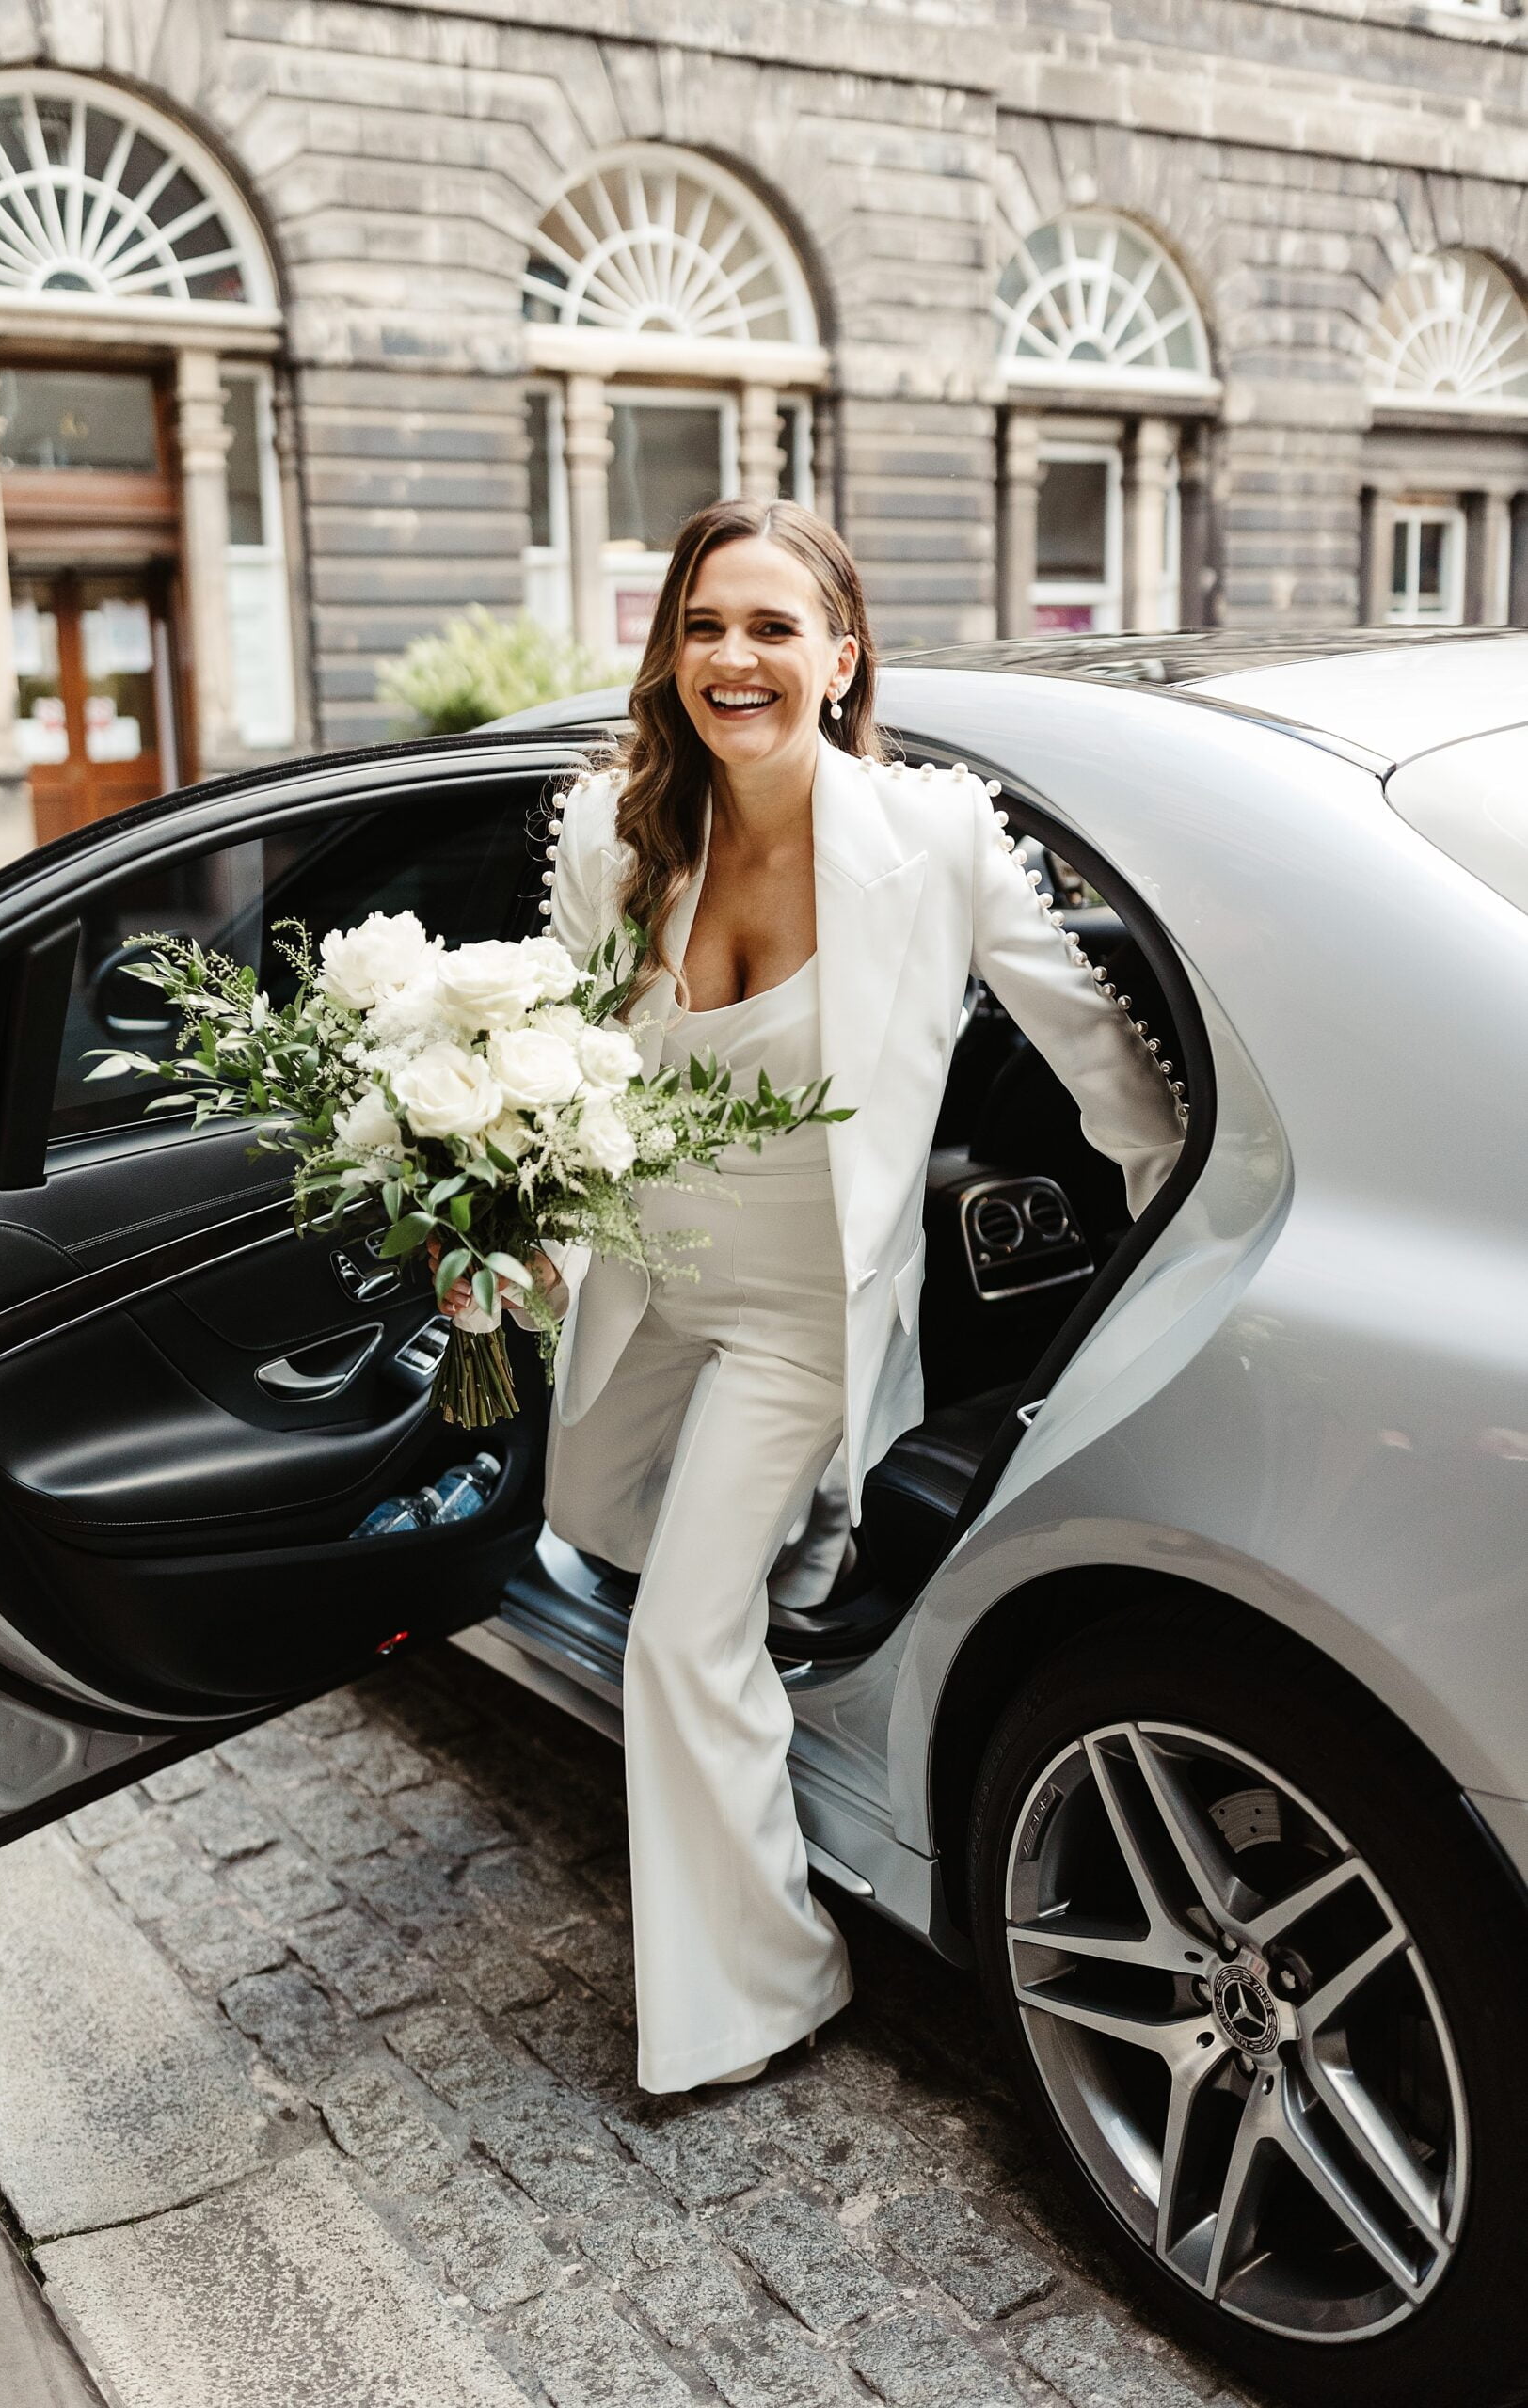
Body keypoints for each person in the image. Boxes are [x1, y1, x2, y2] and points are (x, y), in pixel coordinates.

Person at [436, 499, 1186, 2093]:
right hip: (645, 1274)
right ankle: (787, 1574)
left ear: (841, 655)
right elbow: (552, 1077)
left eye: (773, 627)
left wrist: (1179, 1237)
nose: (734, 657)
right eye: (705, 625)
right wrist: (503, 1240)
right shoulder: (611, 833)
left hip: (799, 1309)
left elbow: (1095, 1053)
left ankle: (767, 1984)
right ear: (671, 653)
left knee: (675, 1639)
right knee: (575, 1510)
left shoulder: (936, 836)